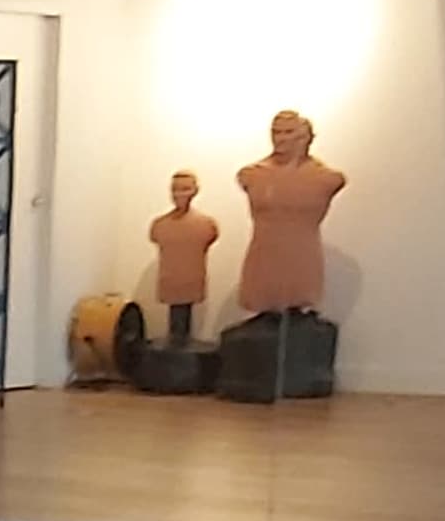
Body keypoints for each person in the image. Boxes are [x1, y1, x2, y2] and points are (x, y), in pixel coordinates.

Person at [236, 111, 346, 316]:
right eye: (276, 132)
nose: (281, 138)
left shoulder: (325, 178)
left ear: (304, 137)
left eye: (288, 132)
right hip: (262, 260)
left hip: (301, 263)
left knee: (296, 324)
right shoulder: (252, 174)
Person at [147, 171, 220, 349]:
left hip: (192, 280)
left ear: (195, 191)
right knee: (175, 329)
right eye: (175, 189)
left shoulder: (206, 225)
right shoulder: (159, 225)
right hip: (169, 280)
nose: (179, 194)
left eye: (185, 189)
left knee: (183, 324)